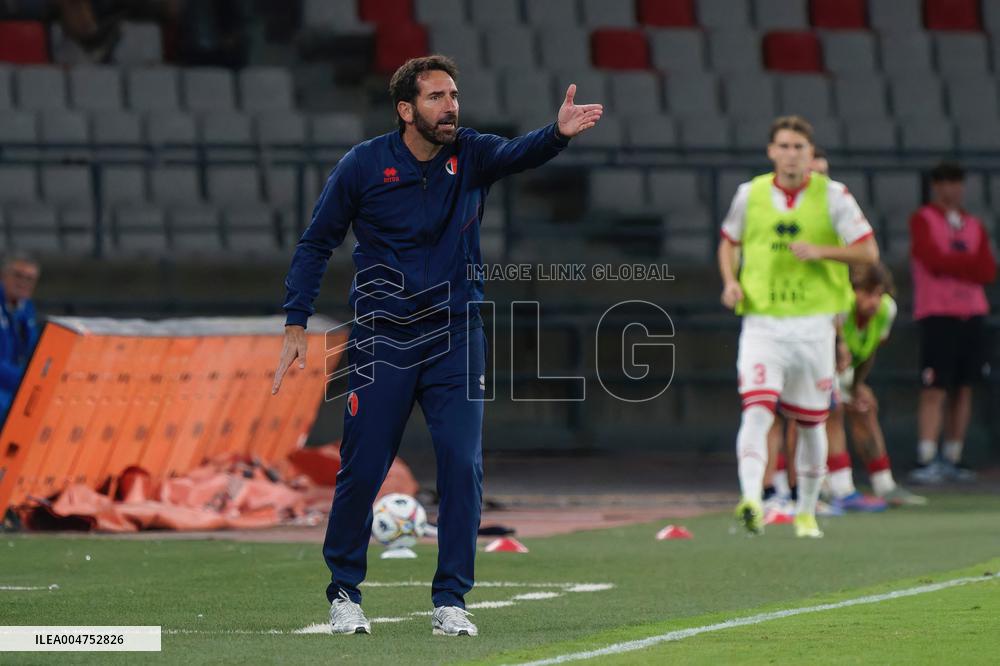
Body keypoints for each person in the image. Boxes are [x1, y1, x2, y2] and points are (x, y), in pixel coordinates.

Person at [271, 55, 602, 636]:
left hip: (455, 336)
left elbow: (518, 153)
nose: (450, 106)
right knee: (363, 468)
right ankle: (344, 592)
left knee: (461, 466)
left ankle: (452, 599)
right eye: (435, 97)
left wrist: (556, 135)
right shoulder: (363, 165)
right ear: (406, 110)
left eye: (454, 95)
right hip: (382, 337)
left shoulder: (470, 153)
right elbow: (316, 242)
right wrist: (296, 319)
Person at [718, 115, 879, 539]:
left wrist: (822, 251)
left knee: (810, 422)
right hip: (763, 323)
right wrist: (731, 282)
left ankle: (806, 510)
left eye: (799, 148)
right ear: (771, 151)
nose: (791, 155)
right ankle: (752, 497)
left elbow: (868, 252)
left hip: (813, 326)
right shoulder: (749, 194)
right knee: (756, 409)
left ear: (811, 154)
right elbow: (729, 241)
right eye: (784, 147)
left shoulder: (834, 196)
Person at [908, 161, 996, 484]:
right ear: (936, 186)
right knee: (934, 386)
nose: (953, 189)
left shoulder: (974, 225)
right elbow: (933, 260)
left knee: (964, 386)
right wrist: (966, 264)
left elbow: (987, 270)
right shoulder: (923, 220)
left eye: (957, 182)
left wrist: (957, 264)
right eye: (946, 182)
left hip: (971, 313)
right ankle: (927, 457)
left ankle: (953, 456)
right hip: (937, 313)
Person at [825, 263, 926, 508]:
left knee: (866, 406)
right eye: (867, 293)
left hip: (844, 372)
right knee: (833, 408)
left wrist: (857, 386)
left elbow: (868, 353)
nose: (874, 301)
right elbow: (823, 351)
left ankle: (884, 484)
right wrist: (839, 390)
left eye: (879, 294)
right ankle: (838, 487)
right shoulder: (840, 308)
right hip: (817, 370)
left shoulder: (885, 310)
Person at [0, 253, 42, 424]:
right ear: (2, 275)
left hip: (15, 385)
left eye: (30, 279)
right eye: (18, 275)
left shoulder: (26, 308)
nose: (23, 282)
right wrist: (26, 380)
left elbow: (36, 350)